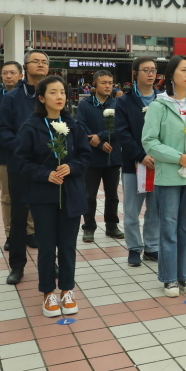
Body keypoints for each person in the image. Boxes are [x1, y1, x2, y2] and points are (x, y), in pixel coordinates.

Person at [16, 76, 91, 317]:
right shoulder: (31, 127)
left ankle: (67, 290)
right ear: (41, 98)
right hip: (43, 196)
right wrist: (45, 174)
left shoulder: (74, 125)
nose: (59, 97)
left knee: (68, 246)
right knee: (47, 246)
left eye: (62, 92)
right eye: (53, 92)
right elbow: (20, 163)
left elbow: (86, 156)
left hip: (71, 194)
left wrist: (72, 167)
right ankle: (48, 292)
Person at [142, 55, 186, 297]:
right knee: (169, 228)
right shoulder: (158, 105)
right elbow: (149, 142)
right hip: (168, 176)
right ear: (171, 74)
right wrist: (178, 157)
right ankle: (169, 278)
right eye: (183, 70)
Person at [0, 50, 49, 284]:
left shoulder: (53, 92)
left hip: (48, 167)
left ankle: (50, 262)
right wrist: (24, 146)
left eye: (44, 61)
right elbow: (0, 130)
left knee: (48, 218)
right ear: (25, 67)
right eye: (36, 61)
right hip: (20, 166)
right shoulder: (12, 98)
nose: (41, 64)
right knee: (19, 218)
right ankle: (17, 265)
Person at [115, 57, 160, 267]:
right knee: (132, 210)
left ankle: (151, 247)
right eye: (146, 70)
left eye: (153, 70)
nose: (151, 74)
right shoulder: (125, 101)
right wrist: (141, 155)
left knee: (155, 209)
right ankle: (134, 248)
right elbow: (122, 133)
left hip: (159, 163)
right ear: (135, 73)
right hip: (133, 164)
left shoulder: (163, 99)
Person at [0, 61, 33, 251]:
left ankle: (30, 231)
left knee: (30, 193)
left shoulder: (30, 96)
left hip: (29, 156)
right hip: (5, 155)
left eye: (12, 72)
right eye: (5, 73)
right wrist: (18, 144)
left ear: (21, 75)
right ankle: (10, 233)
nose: (8, 76)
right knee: (8, 196)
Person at [76, 70, 124, 242]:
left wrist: (101, 137)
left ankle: (112, 226)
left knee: (112, 196)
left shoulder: (117, 104)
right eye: (104, 83)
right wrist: (98, 143)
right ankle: (89, 227)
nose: (108, 86)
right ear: (95, 84)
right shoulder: (85, 105)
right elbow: (81, 127)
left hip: (113, 156)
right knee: (89, 196)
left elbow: (121, 127)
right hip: (91, 158)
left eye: (110, 83)